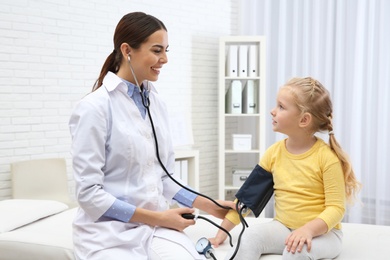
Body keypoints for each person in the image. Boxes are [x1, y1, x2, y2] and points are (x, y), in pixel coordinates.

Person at [69, 12, 234, 260]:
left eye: (166, 50)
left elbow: (165, 178)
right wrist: (159, 217)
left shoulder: (155, 103)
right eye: (157, 50)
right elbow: (88, 194)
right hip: (108, 234)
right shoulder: (94, 108)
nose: (165, 59)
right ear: (127, 50)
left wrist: (212, 206)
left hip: (155, 229)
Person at [210, 77, 361, 259]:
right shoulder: (273, 153)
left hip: (325, 235)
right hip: (283, 228)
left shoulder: (327, 158)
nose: (272, 111)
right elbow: (247, 199)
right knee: (250, 237)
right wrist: (221, 233)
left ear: (304, 120)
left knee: (295, 252)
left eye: (281, 107)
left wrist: (307, 230)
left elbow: (336, 209)